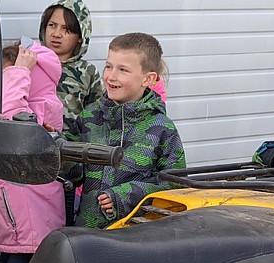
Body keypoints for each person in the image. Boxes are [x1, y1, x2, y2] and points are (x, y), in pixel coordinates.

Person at [64, 33, 185, 228]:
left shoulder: (162, 128)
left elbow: (176, 185)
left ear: (148, 79)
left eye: (123, 70)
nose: (111, 76)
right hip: (87, 235)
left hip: (136, 239)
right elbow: (71, 173)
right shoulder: (89, 118)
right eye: (109, 66)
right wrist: (50, 146)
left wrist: (126, 195)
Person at [0, 41, 66, 263]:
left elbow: (10, 116)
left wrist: (19, 71)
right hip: (17, 224)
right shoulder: (31, 108)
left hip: (29, 227)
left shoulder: (39, 112)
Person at [37, 0, 104, 223]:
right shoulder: (29, 61)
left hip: (68, 167)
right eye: (52, 25)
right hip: (32, 159)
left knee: (62, 227)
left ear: (80, 36)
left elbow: (96, 119)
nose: (57, 33)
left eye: (67, 29)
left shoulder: (87, 72)